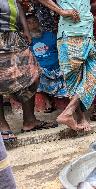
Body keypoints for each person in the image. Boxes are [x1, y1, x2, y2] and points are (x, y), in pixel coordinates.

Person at [37, 0, 96, 131]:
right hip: (70, 35)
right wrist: (61, 11)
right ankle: (80, 117)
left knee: (93, 74)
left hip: (88, 34)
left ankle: (68, 112)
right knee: (74, 80)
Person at [0, 0, 57, 142]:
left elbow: (17, 4)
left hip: (14, 36)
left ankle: (29, 120)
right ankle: (2, 125)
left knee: (33, 73)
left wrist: (25, 30)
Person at [26, 14, 68, 113]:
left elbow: (61, 50)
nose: (33, 24)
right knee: (36, 75)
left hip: (57, 68)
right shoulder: (28, 41)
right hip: (42, 71)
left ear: (39, 22)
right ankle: (48, 102)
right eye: (29, 23)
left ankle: (68, 106)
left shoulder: (50, 35)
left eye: (34, 21)